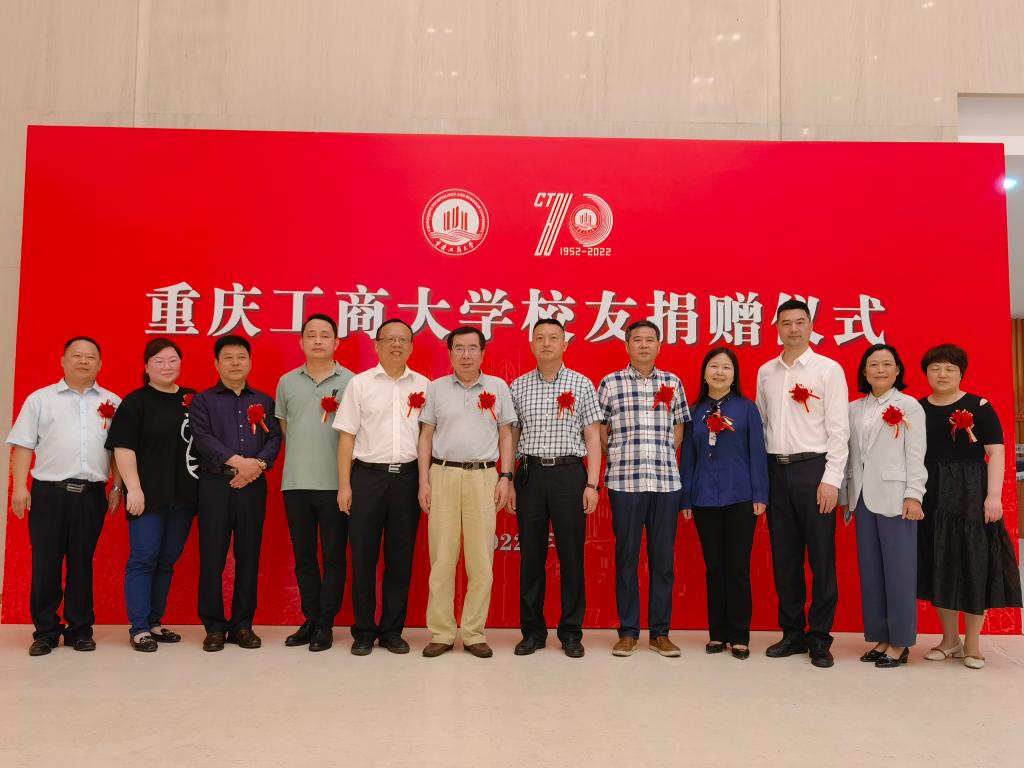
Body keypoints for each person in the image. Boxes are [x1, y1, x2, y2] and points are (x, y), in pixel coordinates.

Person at [6, 336, 122, 656]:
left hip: (91, 494)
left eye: (90, 356)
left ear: (100, 363)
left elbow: (118, 450)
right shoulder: (40, 399)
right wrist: (19, 488)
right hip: (49, 494)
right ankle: (45, 631)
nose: (83, 361)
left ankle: (80, 630)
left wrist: (116, 487)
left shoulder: (113, 402)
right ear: (63, 361)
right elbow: (23, 445)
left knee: (82, 563)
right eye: (77, 355)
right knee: (46, 563)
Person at [916, 344, 1022, 669]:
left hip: (971, 494)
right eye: (935, 368)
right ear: (926, 373)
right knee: (940, 562)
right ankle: (950, 639)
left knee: (975, 564)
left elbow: (996, 452)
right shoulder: (917, 408)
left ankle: (973, 643)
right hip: (931, 495)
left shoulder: (979, 406)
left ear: (961, 372)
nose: (942, 374)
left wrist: (993, 496)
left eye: (949, 368)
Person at [756, 299, 849, 668]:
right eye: (786, 323)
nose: (793, 328)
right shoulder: (766, 372)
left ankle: (820, 637)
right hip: (776, 471)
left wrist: (831, 479)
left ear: (811, 326)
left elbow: (839, 430)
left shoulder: (828, 369)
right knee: (785, 558)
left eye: (800, 322)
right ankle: (792, 633)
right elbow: (763, 425)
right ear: (777, 328)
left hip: (815, 470)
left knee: (822, 558)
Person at [417, 326, 515, 658]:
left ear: (483, 353)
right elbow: (426, 437)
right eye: (459, 348)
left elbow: (506, 436)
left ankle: (474, 632)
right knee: (442, 558)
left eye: (473, 348)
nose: (466, 355)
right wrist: (424, 481)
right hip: (443, 475)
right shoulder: (436, 388)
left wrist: (505, 477)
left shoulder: (498, 387)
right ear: (450, 353)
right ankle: (442, 632)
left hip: (483, 477)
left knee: (481, 560)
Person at [508, 318, 603, 658]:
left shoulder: (581, 383)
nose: (546, 343)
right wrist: (508, 479)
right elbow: (512, 436)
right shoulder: (518, 386)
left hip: (569, 474)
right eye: (540, 338)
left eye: (553, 338)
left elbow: (593, 437)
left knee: (571, 556)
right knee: (531, 556)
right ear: (531, 345)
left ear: (565, 344)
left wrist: (592, 483)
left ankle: (571, 632)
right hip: (530, 474)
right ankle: (532, 631)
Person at [335, 318, 427, 656]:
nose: (396, 344)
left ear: (411, 347)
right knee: (363, 557)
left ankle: (392, 631)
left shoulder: (424, 386)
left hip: (407, 478)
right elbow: (346, 438)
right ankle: (363, 631)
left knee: (400, 559)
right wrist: (344, 485)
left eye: (403, 339)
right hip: (367, 478)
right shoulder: (359, 384)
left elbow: (428, 439)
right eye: (389, 339)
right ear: (377, 345)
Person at [598, 320, 689, 658]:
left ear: (659, 346)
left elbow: (679, 428)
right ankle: (628, 631)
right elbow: (600, 429)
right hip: (625, 482)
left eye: (650, 340)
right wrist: (617, 455)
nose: (644, 345)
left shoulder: (672, 382)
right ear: (627, 345)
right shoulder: (610, 382)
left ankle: (660, 633)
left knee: (663, 560)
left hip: (665, 482)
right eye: (637, 340)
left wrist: (663, 454)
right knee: (627, 558)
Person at [189, 334, 281, 652]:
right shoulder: (203, 401)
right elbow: (203, 438)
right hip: (215, 485)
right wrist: (239, 463)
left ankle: (243, 625)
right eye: (228, 358)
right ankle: (214, 626)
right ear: (216, 363)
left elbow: (274, 438)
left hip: (253, 486)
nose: (235, 363)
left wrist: (257, 466)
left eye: (241, 357)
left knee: (248, 556)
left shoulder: (264, 401)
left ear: (250, 362)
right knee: (212, 557)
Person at [106, 338, 198, 652]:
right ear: (146, 366)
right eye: (158, 361)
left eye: (172, 360)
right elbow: (123, 447)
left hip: (184, 495)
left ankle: (155, 622)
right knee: (144, 558)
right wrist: (132, 488)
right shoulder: (136, 402)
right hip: (146, 496)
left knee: (167, 560)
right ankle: (140, 628)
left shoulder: (191, 399)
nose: (166, 366)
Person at [840, 343, 926, 668]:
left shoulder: (909, 406)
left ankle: (900, 642)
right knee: (872, 572)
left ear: (898, 370)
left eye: (887, 364)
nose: (880, 369)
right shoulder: (853, 408)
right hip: (862, 496)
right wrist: (846, 496)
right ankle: (880, 637)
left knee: (899, 572)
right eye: (873, 364)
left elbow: (916, 455)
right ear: (864, 371)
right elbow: (849, 455)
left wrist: (914, 495)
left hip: (896, 497)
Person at [680, 346, 768, 660]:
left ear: (734, 375)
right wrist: (686, 497)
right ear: (704, 374)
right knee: (714, 567)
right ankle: (717, 633)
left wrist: (760, 494)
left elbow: (757, 453)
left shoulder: (747, 409)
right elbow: (688, 457)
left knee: (737, 568)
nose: (719, 372)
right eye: (714, 366)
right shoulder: (694, 411)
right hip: (704, 498)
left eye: (726, 367)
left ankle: (740, 635)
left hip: (741, 498)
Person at [274, 313, 354, 652]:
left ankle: (326, 623)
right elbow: (285, 429)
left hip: (336, 484)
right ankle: (310, 618)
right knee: (304, 556)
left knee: (334, 556)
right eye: (311, 335)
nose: (318, 340)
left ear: (336, 342)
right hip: (296, 483)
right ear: (301, 341)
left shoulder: (352, 381)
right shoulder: (286, 382)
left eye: (325, 335)